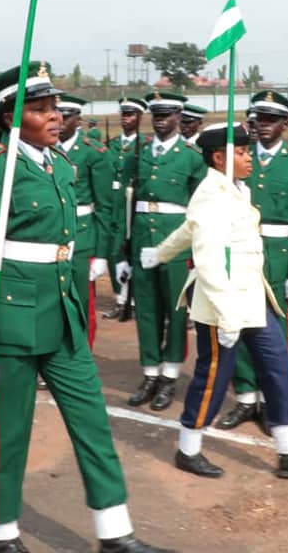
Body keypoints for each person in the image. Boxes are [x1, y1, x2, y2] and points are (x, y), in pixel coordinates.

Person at [0, 64, 171, 553]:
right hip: (12, 319)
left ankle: (115, 532)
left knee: (92, 422)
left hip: (63, 315)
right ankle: (1, 534)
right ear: (10, 118)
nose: (56, 117)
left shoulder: (61, 165)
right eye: (42, 109)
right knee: (9, 433)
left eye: (56, 108)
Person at [142, 123, 288, 482]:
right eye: (242, 153)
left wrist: (162, 253)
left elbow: (188, 230)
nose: (250, 159)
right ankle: (188, 449)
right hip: (221, 304)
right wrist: (227, 318)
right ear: (218, 157)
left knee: (278, 369)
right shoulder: (211, 194)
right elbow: (209, 260)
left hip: (252, 298)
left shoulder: (234, 189)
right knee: (213, 377)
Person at [215, 91, 288, 433]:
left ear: (285, 124)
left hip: (278, 256)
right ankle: (245, 396)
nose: (262, 126)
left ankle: (272, 401)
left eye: (271, 120)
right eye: (257, 118)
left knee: (273, 333)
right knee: (239, 326)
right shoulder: (237, 160)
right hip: (242, 252)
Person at [117, 91, 206, 412]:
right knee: (147, 310)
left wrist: (196, 253)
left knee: (176, 311)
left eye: (166, 115)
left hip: (177, 242)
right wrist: (121, 252)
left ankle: (169, 377)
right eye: (155, 115)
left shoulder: (193, 157)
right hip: (142, 239)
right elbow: (125, 204)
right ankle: (150, 373)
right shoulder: (139, 154)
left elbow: (200, 209)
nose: (160, 120)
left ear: (179, 118)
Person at [57, 93, 114, 349]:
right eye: (56, 115)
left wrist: (102, 254)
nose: (59, 121)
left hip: (82, 235)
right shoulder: (44, 149)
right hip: (52, 234)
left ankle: (80, 357)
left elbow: (104, 207)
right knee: (54, 301)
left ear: (77, 119)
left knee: (81, 302)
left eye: (66, 117)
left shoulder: (94, 153)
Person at [103, 97, 148, 321]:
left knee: (131, 252)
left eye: (130, 115)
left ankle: (134, 299)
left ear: (139, 118)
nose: (125, 118)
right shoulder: (111, 145)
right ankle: (120, 299)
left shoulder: (145, 145)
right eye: (123, 114)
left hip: (132, 205)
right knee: (114, 252)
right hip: (113, 204)